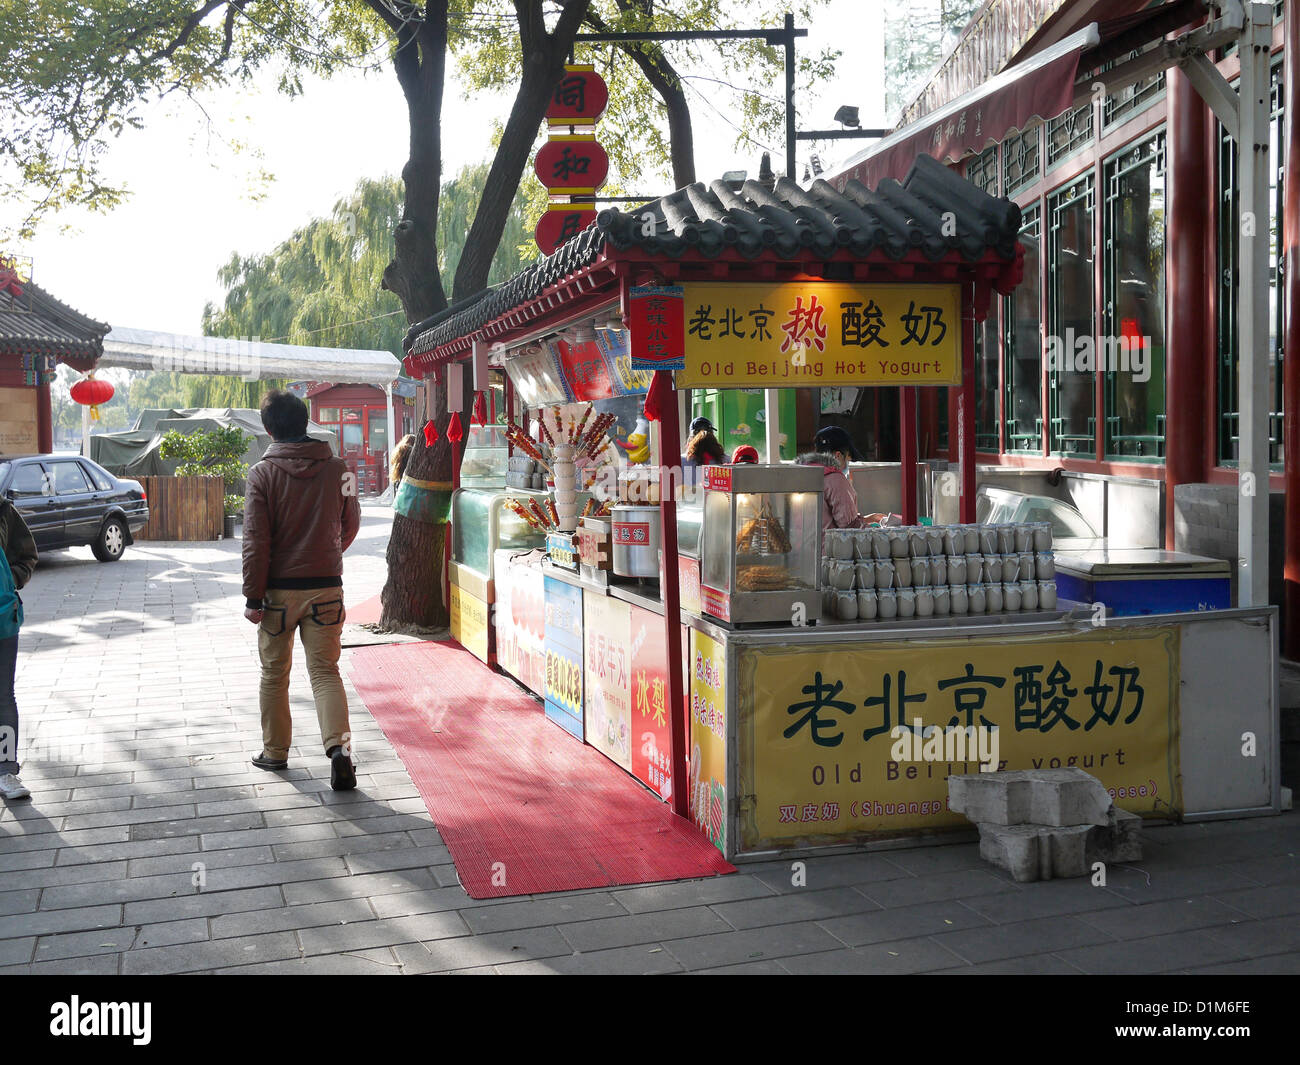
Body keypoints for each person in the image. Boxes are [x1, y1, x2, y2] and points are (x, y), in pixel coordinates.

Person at [243, 390, 362, 790]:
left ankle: (275, 753)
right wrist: (327, 554)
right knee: (326, 673)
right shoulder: (341, 469)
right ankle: (340, 752)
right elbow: (352, 523)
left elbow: (256, 541)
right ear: (306, 421)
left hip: (278, 593)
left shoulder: (261, 474)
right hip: (326, 588)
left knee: (275, 674)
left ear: (268, 427)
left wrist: (252, 597)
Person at [0, 499, 36, 801]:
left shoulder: (3, 510)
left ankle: (5, 771)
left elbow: (27, 554)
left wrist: (9, 580)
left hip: (1, 620)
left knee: (3, 696)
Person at [799, 424, 867, 531]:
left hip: (801, 546)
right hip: (827, 546)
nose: (847, 464)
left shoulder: (802, 474)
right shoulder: (834, 479)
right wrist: (874, 527)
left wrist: (866, 519)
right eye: (848, 459)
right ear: (838, 456)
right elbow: (849, 526)